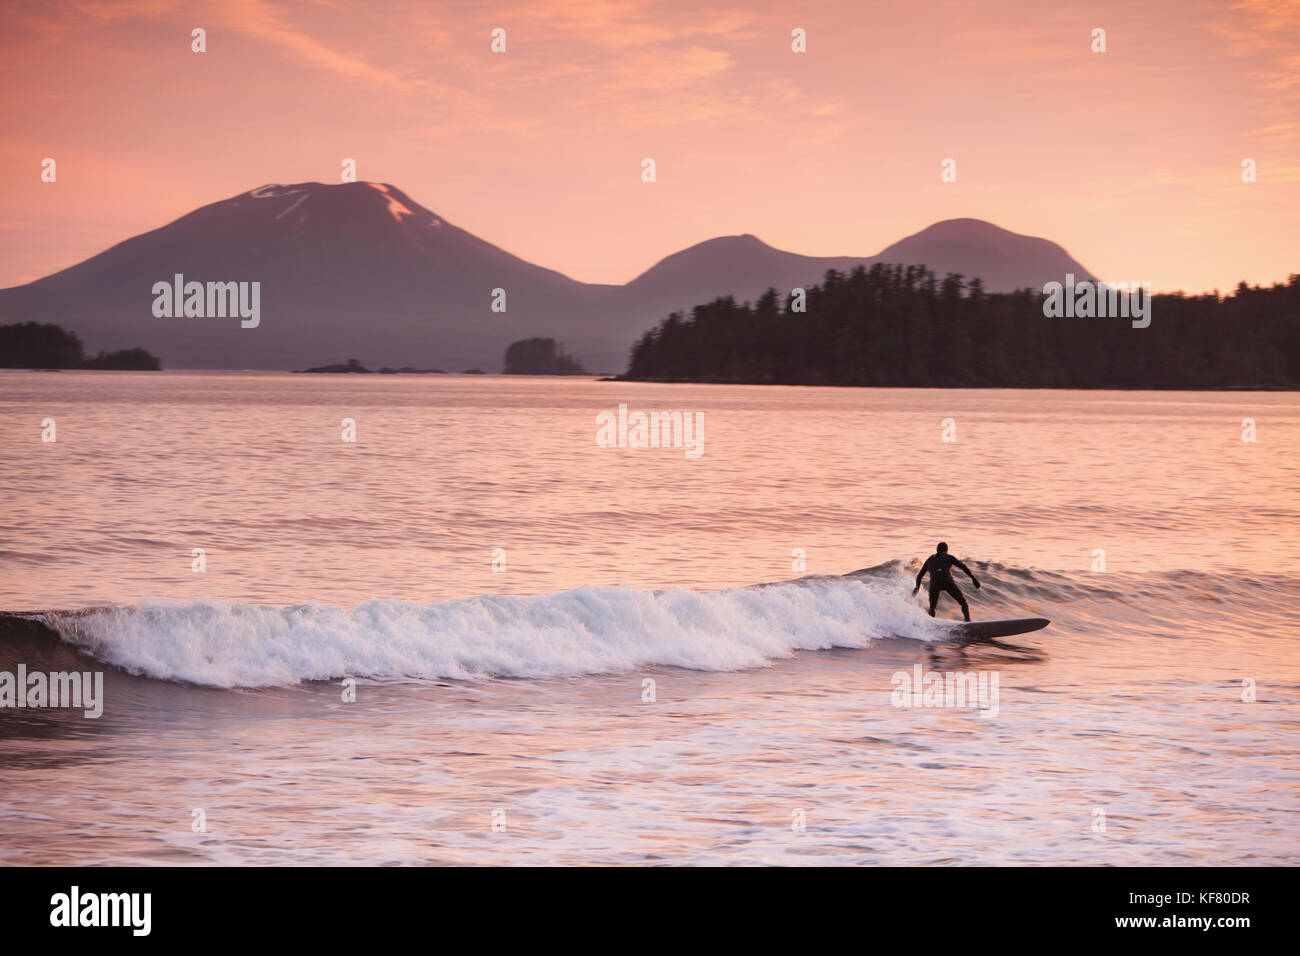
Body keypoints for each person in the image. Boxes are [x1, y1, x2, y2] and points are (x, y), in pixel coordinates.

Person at [912, 542, 980, 621]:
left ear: (937, 550)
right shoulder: (948, 557)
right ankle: (968, 621)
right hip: (947, 582)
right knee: (963, 602)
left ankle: (931, 624)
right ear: (946, 550)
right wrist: (973, 579)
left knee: (932, 607)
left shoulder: (929, 559)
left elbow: (919, 576)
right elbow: (963, 567)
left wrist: (917, 587)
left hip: (935, 584)